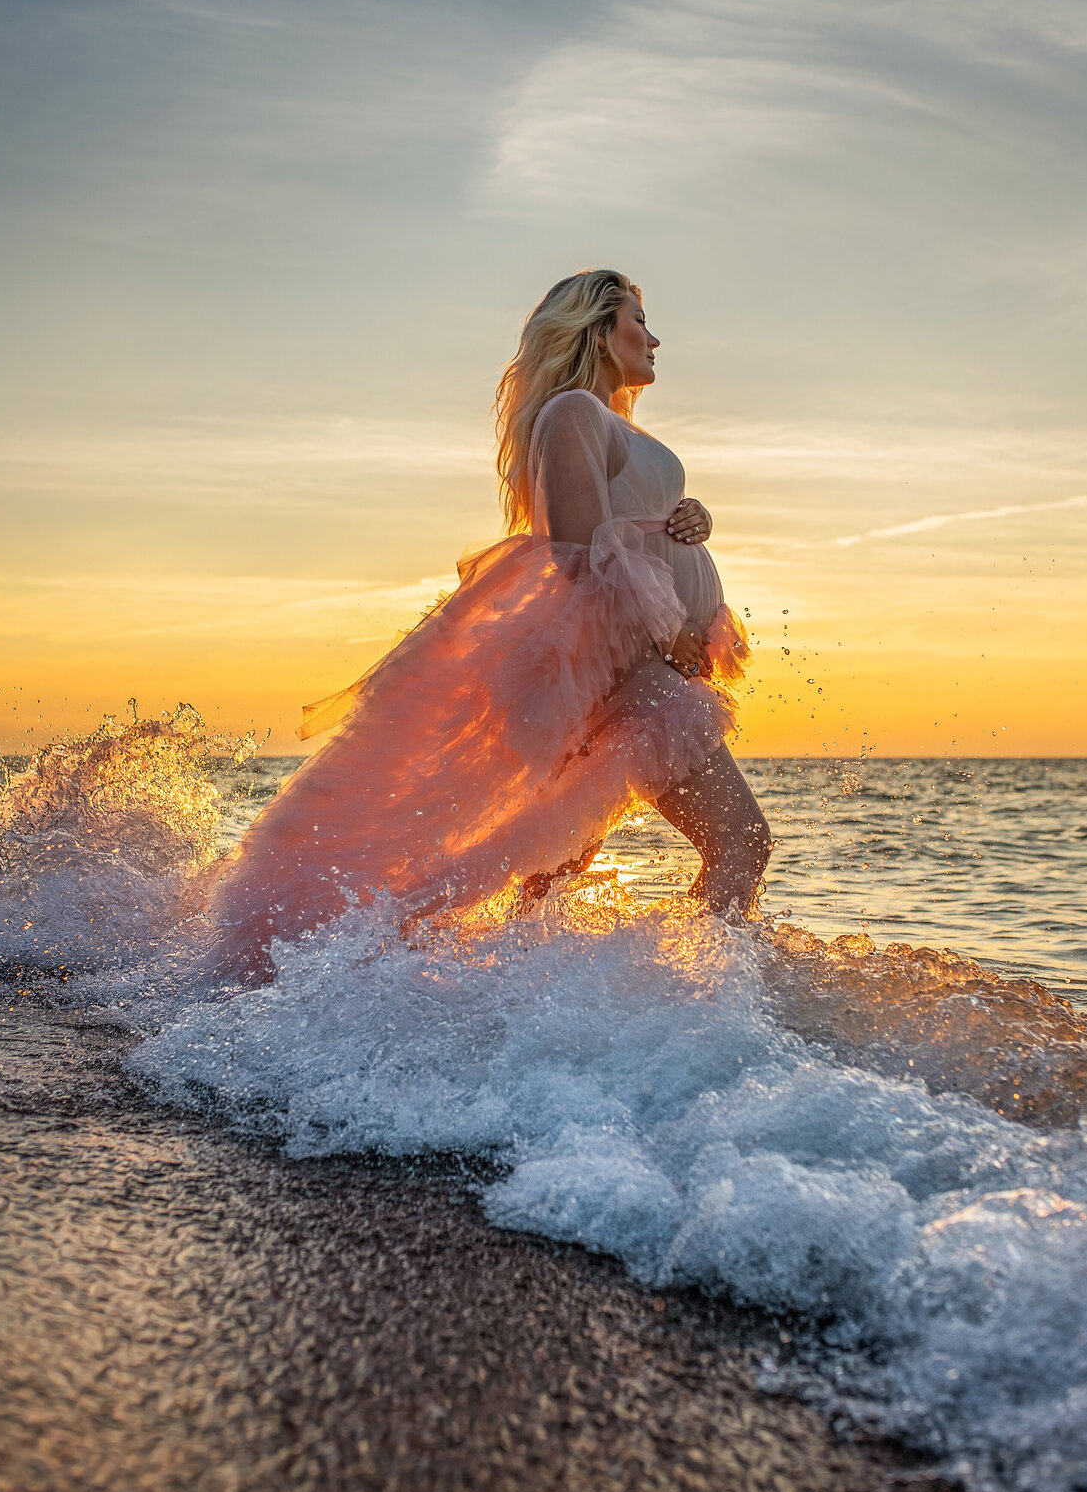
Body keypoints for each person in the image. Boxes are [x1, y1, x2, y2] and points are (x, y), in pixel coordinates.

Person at [212, 270, 771, 980]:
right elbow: (581, 560)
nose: (654, 337)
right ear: (598, 331)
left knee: (553, 877)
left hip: (630, 670)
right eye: (639, 319)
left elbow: (625, 530)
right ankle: (704, 1007)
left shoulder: (603, 420)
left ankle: (522, 1019)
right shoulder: (573, 410)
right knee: (741, 841)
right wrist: (669, 636)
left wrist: (691, 520)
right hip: (627, 673)